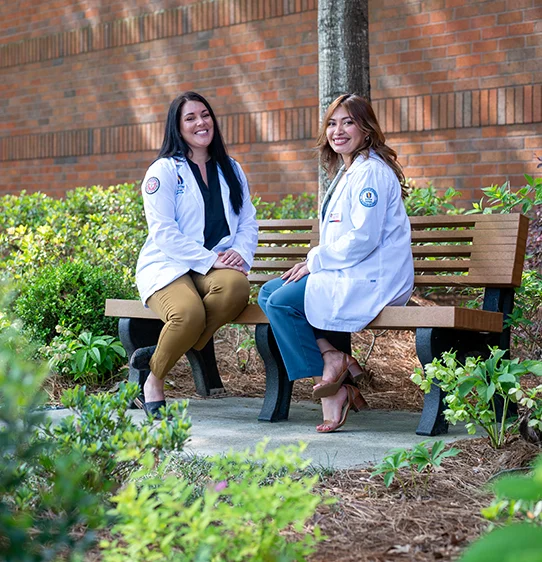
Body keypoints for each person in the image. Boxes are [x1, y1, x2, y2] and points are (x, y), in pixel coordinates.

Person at [258, 93, 414, 433]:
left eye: (348, 122)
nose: (338, 130)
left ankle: (332, 393)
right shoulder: (350, 171)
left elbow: (364, 237)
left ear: (366, 129)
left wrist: (316, 261)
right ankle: (332, 356)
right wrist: (319, 263)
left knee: (283, 302)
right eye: (332, 123)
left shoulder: (370, 172)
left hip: (375, 277)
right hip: (353, 270)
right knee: (269, 293)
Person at [133, 91, 258, 417]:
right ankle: (154, 380)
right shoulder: (164, 170)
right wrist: (210, 259)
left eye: (205, 115)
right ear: (177, 127)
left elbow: (247, 219)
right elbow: (163, 232)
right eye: (190, 118)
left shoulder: (231, 168)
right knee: (188, 315)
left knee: (236, 288)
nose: (201, 122)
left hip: (212, 267)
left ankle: (165, 350)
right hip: (168, 264)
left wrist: (239, 254)